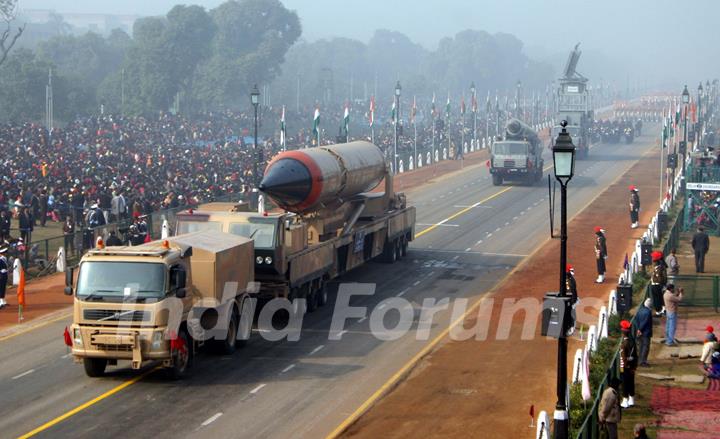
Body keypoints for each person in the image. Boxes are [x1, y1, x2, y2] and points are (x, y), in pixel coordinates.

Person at [620, 319, 638, 407]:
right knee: (631, 382)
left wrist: (625, 366)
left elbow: (623, 358)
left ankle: (625, 401)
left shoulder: (624, 343)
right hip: (632, 365)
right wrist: (634, 367)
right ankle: (631, 399)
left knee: (625, 384)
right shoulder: (632, 341)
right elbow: (635, 355)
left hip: (625, 367)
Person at [635, 298, 653, 367]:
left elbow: (636, 320)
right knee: (645, 347)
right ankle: (643, 361)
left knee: (641, 346)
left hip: (640, 332)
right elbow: (645, 322)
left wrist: (638, 329)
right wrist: (640, 329)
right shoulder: (648, 312)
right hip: (645, 332)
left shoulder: (640, 310)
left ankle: (640, 360)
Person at [650, 251, 668, 316]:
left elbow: (660, 278)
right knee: (658, 298)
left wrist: (657, 281)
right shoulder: (659, 267)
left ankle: (659, 311)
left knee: (657, 299)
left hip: (657, 285)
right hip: (656, 285)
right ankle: (661, 310)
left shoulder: (659, 268)